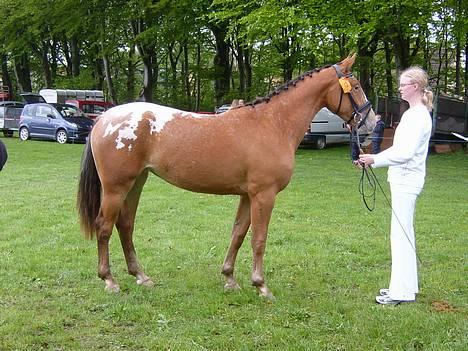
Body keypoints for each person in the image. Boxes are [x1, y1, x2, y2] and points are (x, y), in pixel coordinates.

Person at [359, 67, 433, 305]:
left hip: (406, 180)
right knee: (403, 234)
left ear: (415, 87)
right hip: (404, 179)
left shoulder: (417, 116)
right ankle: (406, 288)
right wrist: (374, 159)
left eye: (403, 84)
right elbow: (400, 150)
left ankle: (400, 293)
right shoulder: (415, 114)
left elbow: (405, 153)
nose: (400, 88)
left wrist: (374, 159)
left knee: (400, 236)